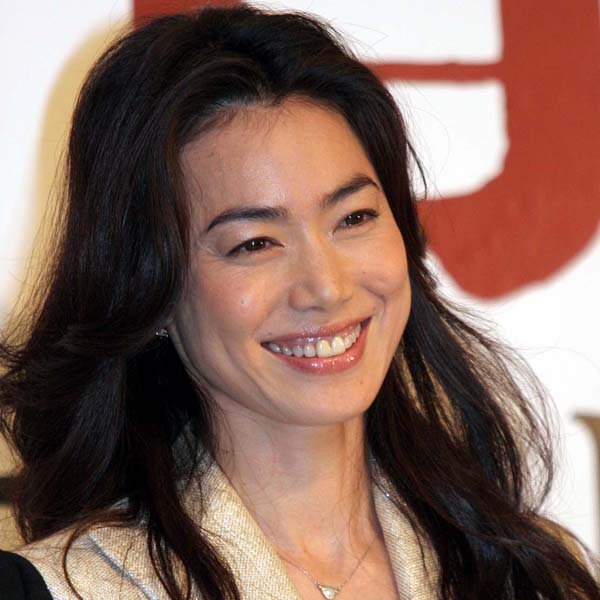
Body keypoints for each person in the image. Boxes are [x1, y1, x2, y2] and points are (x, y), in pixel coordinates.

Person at [0, 5, 598, 599]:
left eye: (354, 217)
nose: (327, 287)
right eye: (255, 243)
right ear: (150, 288)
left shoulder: (529, 575)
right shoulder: (70, 588)